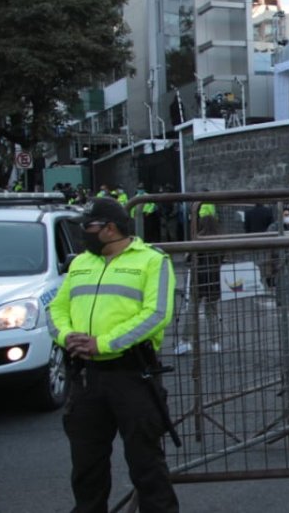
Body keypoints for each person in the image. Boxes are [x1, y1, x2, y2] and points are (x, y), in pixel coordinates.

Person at [46, 198, 179, 513]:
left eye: (88, 227)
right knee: (86, 467)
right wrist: (67, 336)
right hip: (86, 377)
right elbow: (56, 308)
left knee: (146, 465)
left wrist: (102, 343)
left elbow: (156, 314)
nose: (84, 233)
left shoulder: (152, 261)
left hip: (132, 376)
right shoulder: (81, 263)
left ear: (110, 229)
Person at [176, 199, 223, 355]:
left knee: (193, 310)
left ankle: (185, 341)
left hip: (198, 278)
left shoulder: (197, 239)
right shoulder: (219, 240)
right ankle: (215, 343)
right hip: (214, 278)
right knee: (212, 311)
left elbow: (187, 258)